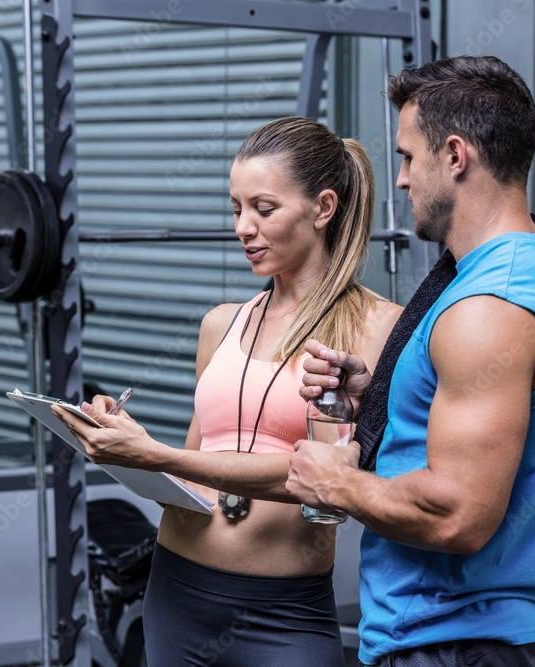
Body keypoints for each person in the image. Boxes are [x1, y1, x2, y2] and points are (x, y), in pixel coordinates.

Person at [52, 116, 402, 667]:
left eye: (263, 209)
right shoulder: (221, 324)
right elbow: (193, 473)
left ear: (323, 208)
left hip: (286, 610)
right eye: (236, 208)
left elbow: (330, 482)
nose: (243, 227)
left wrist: (154, 455)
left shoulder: (379, 329)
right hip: (176, 592)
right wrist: (128, 443)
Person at [286, 56, 535, 667]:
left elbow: (458, 516)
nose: (400, 180)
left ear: (455, 156)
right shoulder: (514, 272)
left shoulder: (490, 306)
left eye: (407, 157)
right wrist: (379, 396)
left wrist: (337, 483)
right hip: (453, 638)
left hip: (452, 642)